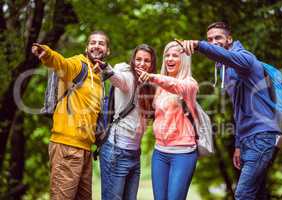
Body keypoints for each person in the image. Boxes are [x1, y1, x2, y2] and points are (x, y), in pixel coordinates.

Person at [179, 21, 282, 199]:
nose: (213, 41)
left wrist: (199, 45)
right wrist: (238, 145)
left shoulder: (245, 58)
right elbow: (239, 110)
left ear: (229, 39)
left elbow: (229, 57)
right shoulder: (226, 70)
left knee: (243, 195)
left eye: (218, 37)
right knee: (258, 194)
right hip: (248, 139)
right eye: (209, 39)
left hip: (262, 136)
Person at [31, 30, 110, 200]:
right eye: (93, 42)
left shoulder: (99, 77)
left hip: (85, 150)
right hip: (66, 146)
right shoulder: (78, 65)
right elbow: (61, 64)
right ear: (87, 47)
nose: (96, 46)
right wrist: (48, 53)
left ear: (107, 51)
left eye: (101, 43)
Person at [137, 41, 199, 200]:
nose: (170, 59)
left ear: (183, 60)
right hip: (160, 153)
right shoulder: (158, 86)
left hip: (183, 153)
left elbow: (175, 86)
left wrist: (152, 77)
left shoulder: (190, 84)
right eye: (167, 55)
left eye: (175, 55)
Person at [99, 44, 157, 200]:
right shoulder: (128, 77)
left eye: (147, 61)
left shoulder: (150, 86)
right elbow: (116, 78)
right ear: (133, 60)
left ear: (152, 64)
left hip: (134, 154)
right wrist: (105, 67)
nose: (142, 64)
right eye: (138, 59)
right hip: (116, 152)